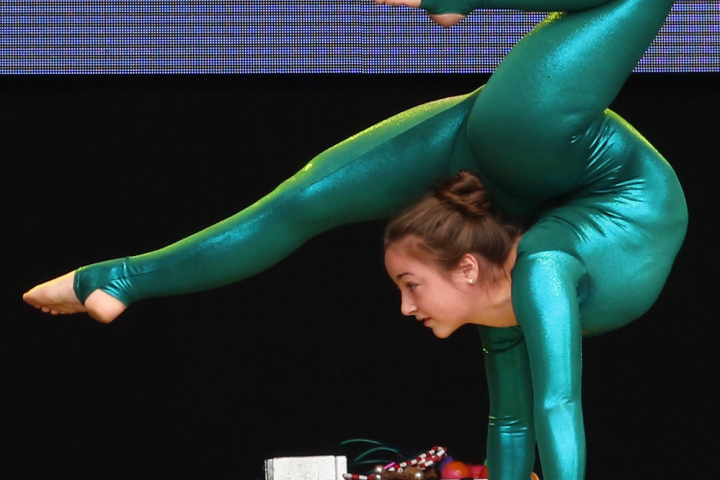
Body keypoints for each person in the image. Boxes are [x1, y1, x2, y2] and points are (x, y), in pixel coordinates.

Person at [24, 0, 686, 478]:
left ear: (465, 269)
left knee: (298, 206)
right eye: (406, 286)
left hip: (573, 174)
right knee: (301, 200)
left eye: (410, 285)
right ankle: (117, 279)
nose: (406, 306)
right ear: (467, 267)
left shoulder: (525, 274)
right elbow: (531, 415)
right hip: (534, 152)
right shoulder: (518, 276)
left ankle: (116, 279)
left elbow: (536, 412)